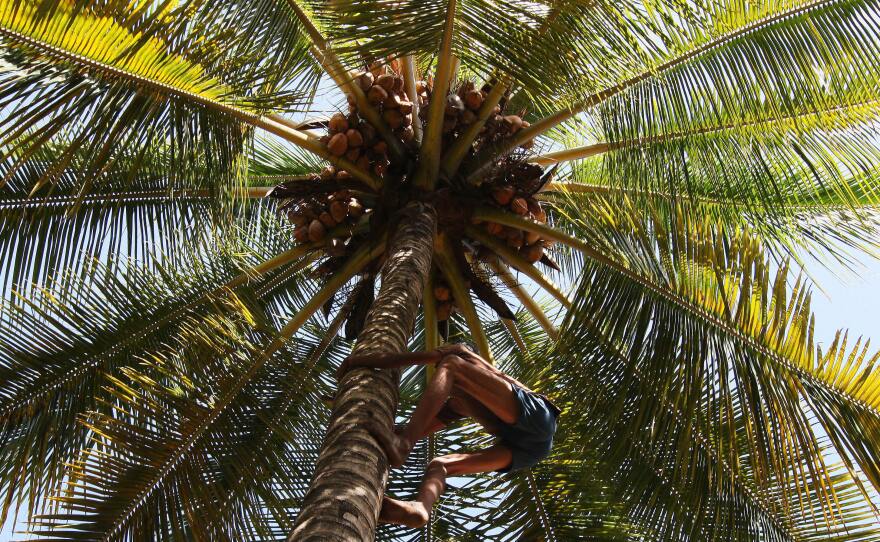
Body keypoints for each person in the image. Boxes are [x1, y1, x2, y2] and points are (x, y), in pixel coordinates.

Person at [336, 343, 561, 528]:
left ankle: (403, 446)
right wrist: (388, 429)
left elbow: (402, 359)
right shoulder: (461, 402)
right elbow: (427, 424)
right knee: (440, 465)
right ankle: (420, 509)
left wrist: (357, 361)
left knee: (451, 365)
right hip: (531, 450)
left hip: (540, 417)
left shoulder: (461, 352)